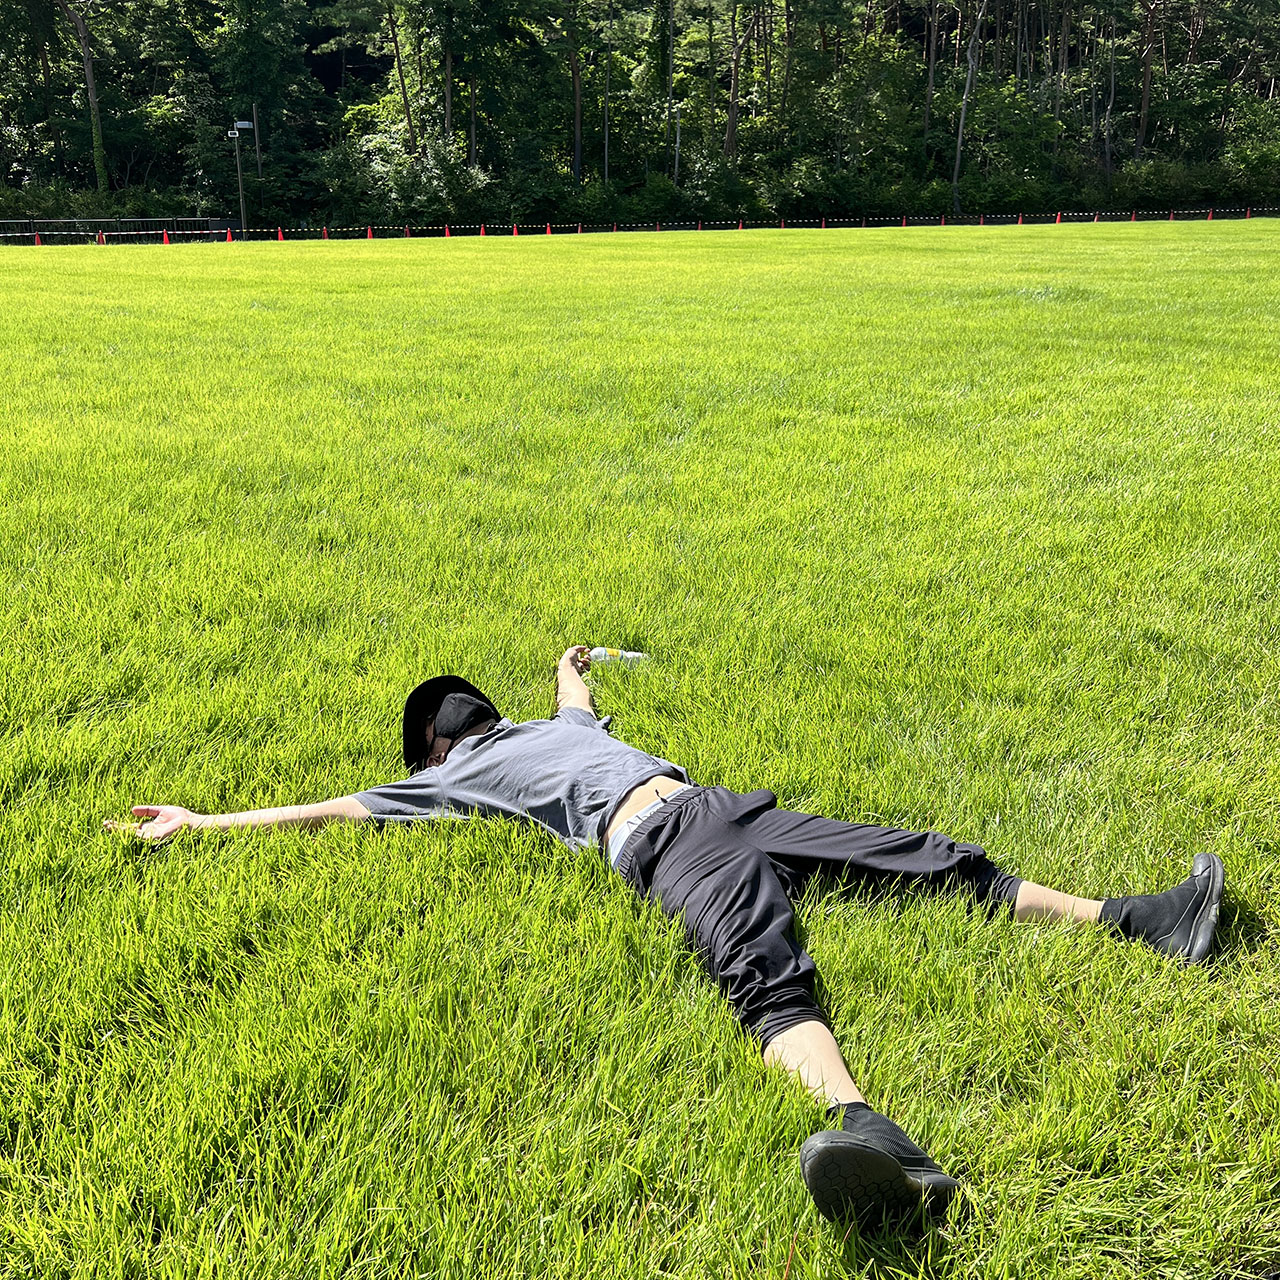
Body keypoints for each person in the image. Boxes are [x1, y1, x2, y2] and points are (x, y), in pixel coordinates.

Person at [109, 646, 1225, 1227]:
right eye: (444, 728)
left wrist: (569, 667)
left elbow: (573, 705)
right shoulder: (453, 783)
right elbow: (336, 809)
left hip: (717, 801)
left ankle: (1138, 921)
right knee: (760, 963)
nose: (450, 728)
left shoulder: (546, 728)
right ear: (442, 756)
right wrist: (205, 820)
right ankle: (865, 1132)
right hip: (663, 841)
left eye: (448, 717)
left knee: (926, 856)